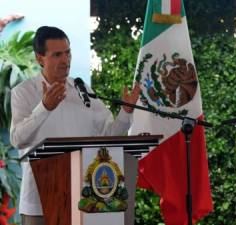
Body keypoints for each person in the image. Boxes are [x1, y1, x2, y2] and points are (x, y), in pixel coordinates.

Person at [9, 26, 141, 225]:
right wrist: (44, 107)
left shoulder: (82, 90)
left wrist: (126, 112)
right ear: (39, 58)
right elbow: (18, 139)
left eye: (68, 53)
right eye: (57, 55)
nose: (65, 60)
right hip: (40, 201)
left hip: (84, 199)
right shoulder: (24, 92)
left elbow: (109, 133)